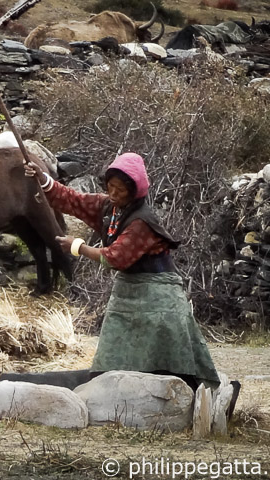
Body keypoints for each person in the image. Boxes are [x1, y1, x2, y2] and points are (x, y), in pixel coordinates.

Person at [25, 152, 220, 391]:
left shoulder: (141, 222)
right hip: (128, 288)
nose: (114, 194)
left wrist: (78, 247)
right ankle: (117, 392)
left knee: (171, 352)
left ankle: (185, 394)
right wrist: (42, 178)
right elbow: (71, 200)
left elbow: (115, 258)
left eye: (121, 191)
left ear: (134, 192)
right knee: (115, 347)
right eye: (111, 187)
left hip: (160, 294)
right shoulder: (109, 207)